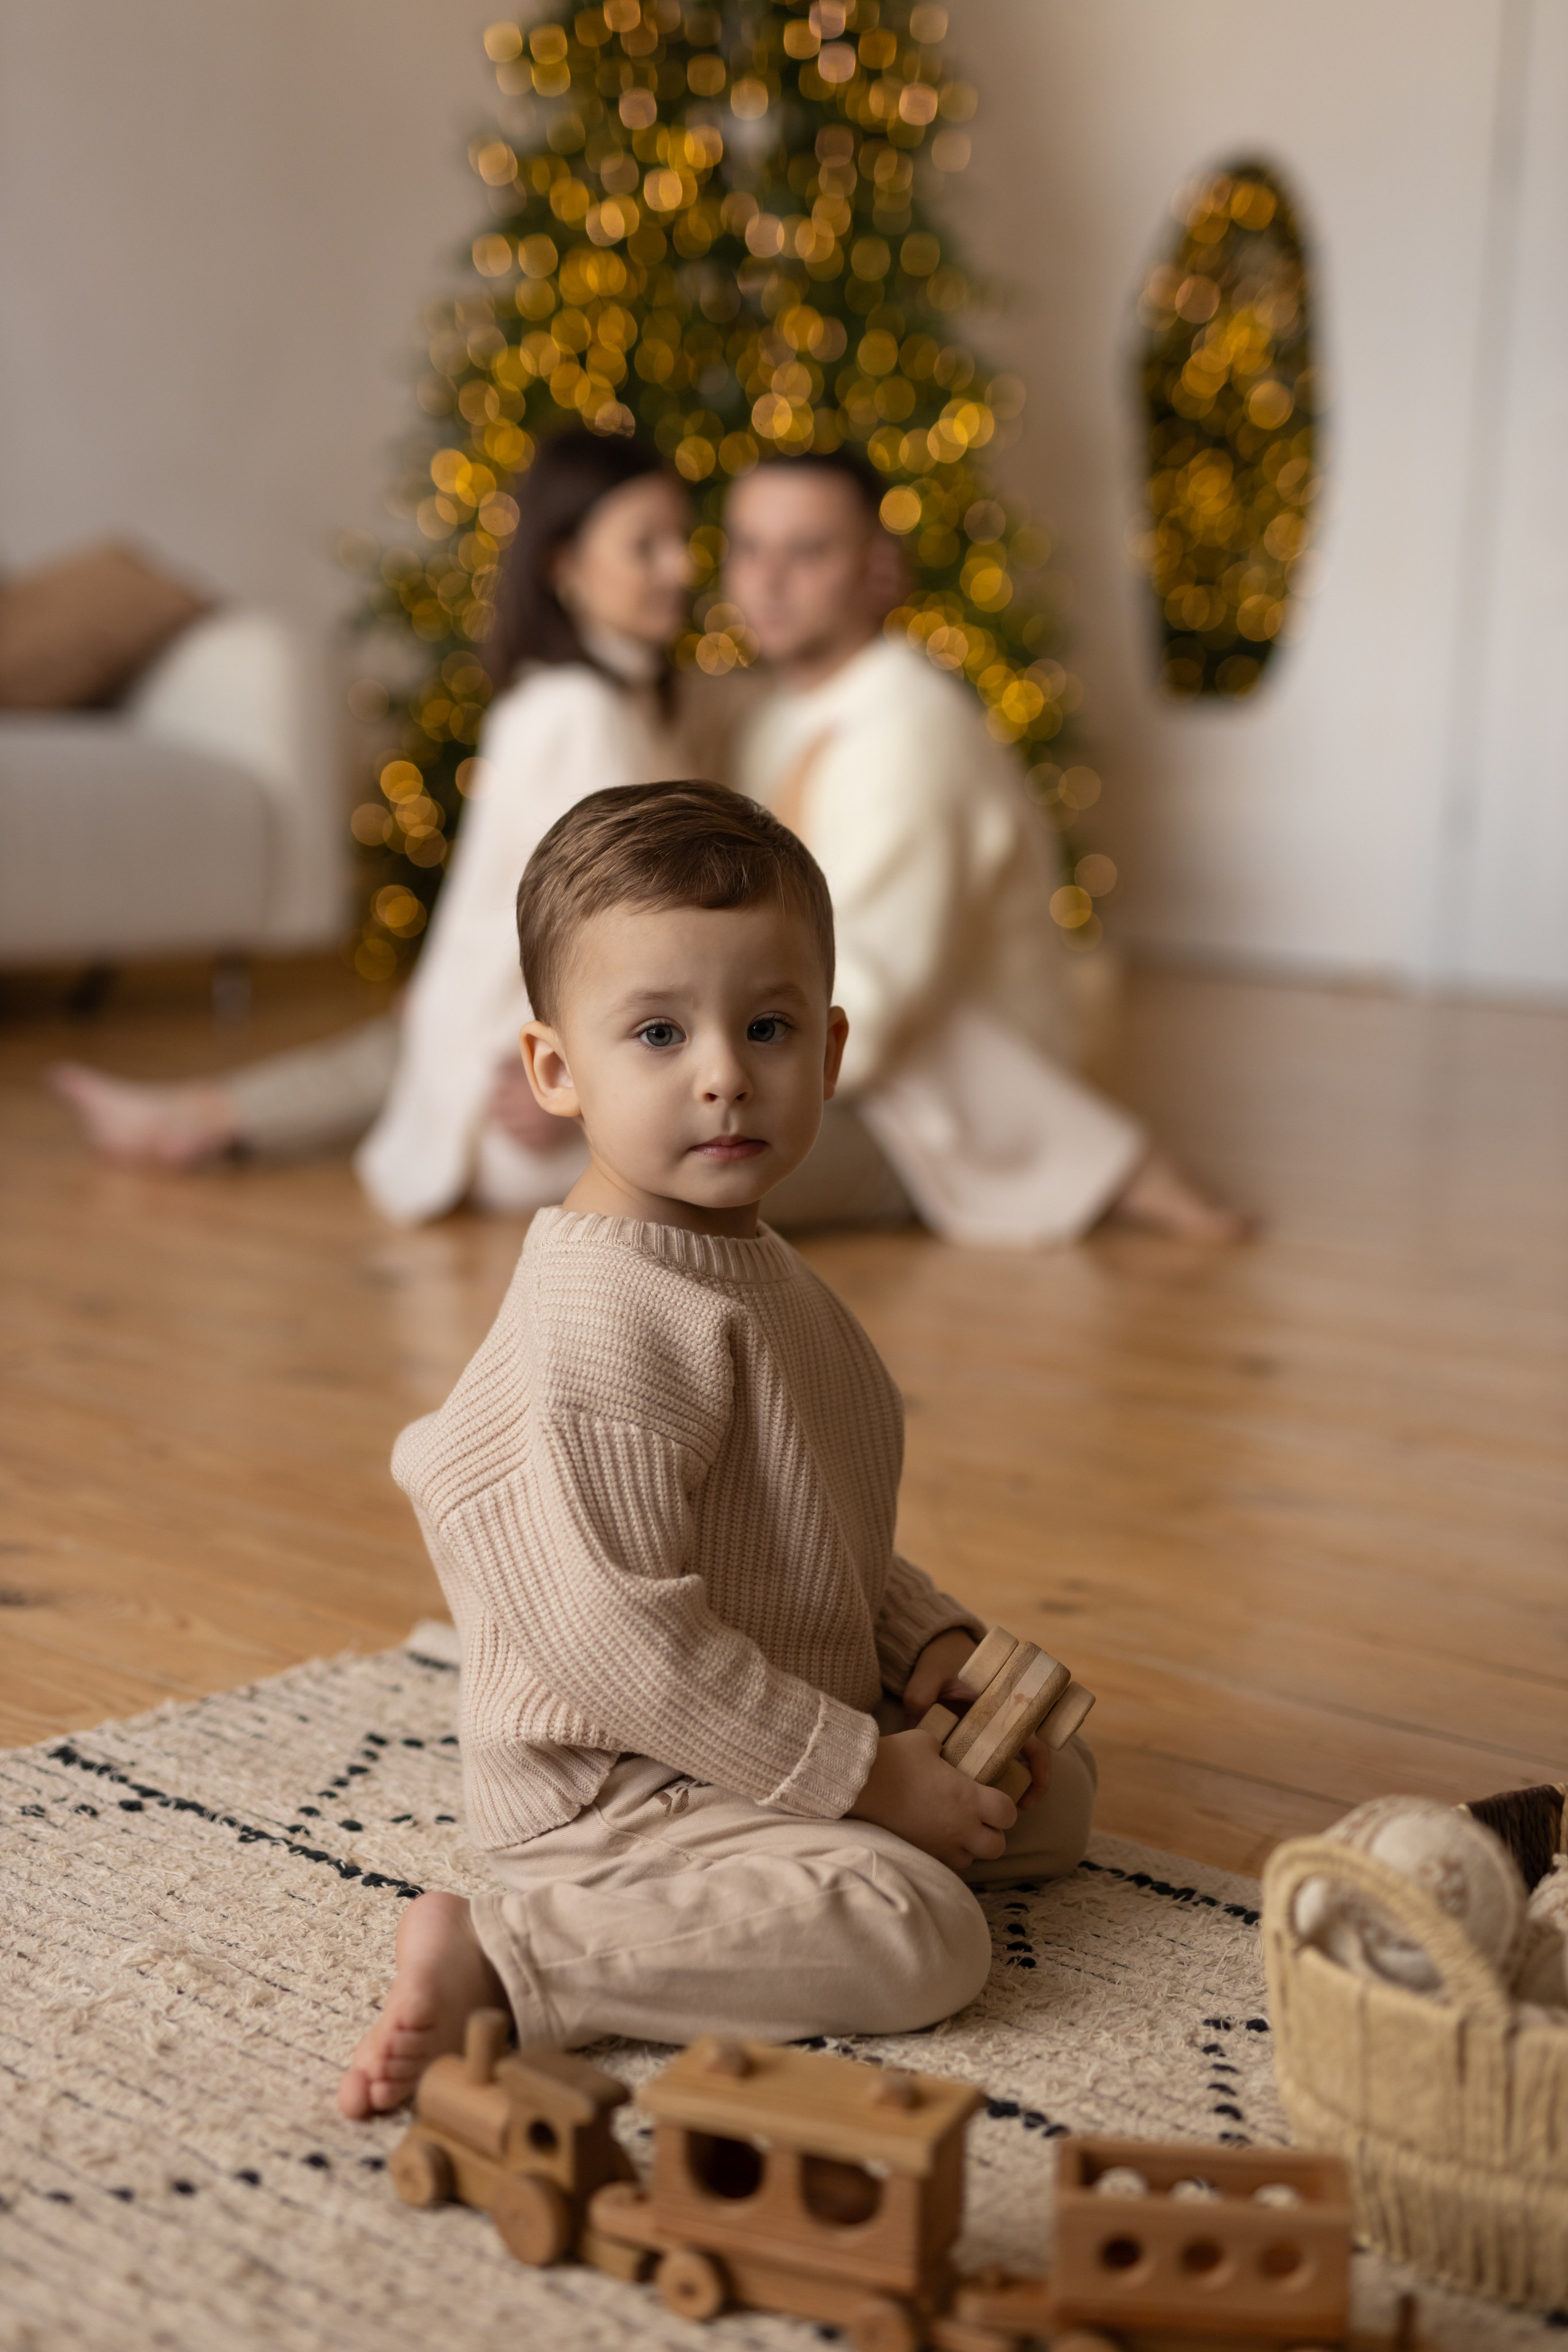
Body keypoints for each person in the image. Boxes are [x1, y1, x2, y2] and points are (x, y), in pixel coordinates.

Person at [338, 780, 1096, 2113]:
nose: (723, 1072)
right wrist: (866, 1778)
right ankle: (509, 1960)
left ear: (832, 1048)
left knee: (1053, 1795)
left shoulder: (761, 1275)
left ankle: (829, 1827)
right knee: (920, 1930)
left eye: (766, 1026)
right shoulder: (602, 1317)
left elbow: (804, 1526)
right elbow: (622, 1647)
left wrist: (920, 1648)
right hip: (620, 1782)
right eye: (655, 1032)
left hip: (755, 1708)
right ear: (555, 1070)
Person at [47, 431, 697, 1219]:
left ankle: (198, 1118)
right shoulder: (577, 711)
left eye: (682, 541)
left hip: (528, 1060)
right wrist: (574, 1074)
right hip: (535, 1101)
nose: (682, 569)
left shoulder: (608, 701)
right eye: (646, 547)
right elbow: (590, 920)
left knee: (398, 1058)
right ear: (563, 563)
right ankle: (200, 1118)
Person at [723, 451, 1243, 1244]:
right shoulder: (777, 718)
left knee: (644, 1168)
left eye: (808, 551)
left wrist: (701, 1073)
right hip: (852, 1057)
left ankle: (1105, 1165)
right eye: (748, 547)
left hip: (943, 1102)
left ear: (878, 570)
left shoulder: (907, 729)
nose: (768, 580)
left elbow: (875, 999)